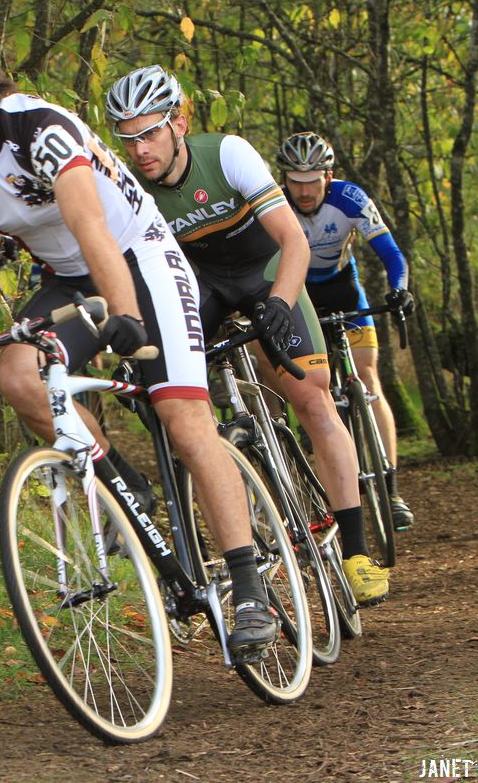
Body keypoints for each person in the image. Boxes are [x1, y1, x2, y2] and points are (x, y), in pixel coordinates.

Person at [0, 30, 282, 654]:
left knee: (183, 419)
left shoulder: (39, 128)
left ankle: (247, 581)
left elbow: (88, 222)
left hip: (138, 256)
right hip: (66, 277)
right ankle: (124, 486)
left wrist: (124, 316)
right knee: (19, 378)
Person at [104, 66, 390, 604]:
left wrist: (281, 302)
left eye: (150, 133)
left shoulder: (228, 153)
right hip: (201, 286)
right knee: (171, 404)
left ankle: (355, 552)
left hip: (265, 272)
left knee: (312, 394)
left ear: (179, 123)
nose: (140, 149)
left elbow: (293, 241)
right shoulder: (127, 186)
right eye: (128, 138)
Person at [275, 132, 415, 531]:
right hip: (299, 294)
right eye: (294, 181)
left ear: (329, 176)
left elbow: (391, 254)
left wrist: (399, 289)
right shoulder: (274, 202)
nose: (303, 191)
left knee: (368, 376)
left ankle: (390, 489)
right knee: (310, 389)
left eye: (312, 180)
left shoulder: (350, 198)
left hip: (343, 290)